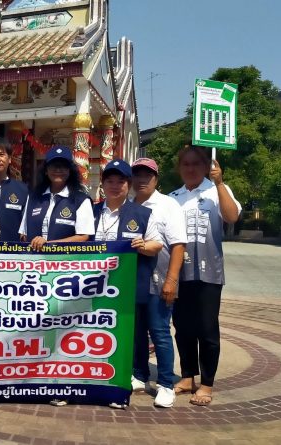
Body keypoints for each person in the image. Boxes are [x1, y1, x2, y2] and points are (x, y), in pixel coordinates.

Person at [168, 146, 241, 407]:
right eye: (185, 164)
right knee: (183, 328)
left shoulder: (216, 190)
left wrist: (219, 183)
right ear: (179, 168)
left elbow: (232, 217)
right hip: (179, 273)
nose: (190, 169)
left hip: (209, 272)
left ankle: (207, 383)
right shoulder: (172, 198)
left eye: (196, 164)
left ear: (206, 166)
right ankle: (188, 376)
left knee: (207, 329)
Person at [91, 159, 162, 409]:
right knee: (96, 329)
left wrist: (143, 246)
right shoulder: (91, 211)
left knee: (132, 331)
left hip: (128, 284)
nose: (114, 185)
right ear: (102, 184)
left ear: (128, 185)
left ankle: (136, 373)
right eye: (109, 181)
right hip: (93, 286)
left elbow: (156, 244)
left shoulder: (142, 214)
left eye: (120, 181)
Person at [131, 157, 188, 408]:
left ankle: (165, 384)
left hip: (159, 280)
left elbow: (178, 245)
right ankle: (140, 375)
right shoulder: (128, 204)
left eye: (148, 175)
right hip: (133, 280)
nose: (142, 179)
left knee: (160, 332)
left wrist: (171, 281)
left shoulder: (168, 204)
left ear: (156, 178)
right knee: (137, 332)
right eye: (137, 175)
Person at [19, 146, 94, 250]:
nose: (58, 170)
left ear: (70, 170)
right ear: (46, 170)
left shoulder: (81, 200)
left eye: (63, 166)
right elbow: (24, 234)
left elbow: (84, 236)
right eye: (54, 166)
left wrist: (49, 245)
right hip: (34, 259)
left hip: (65, 259)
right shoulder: (33, 197)